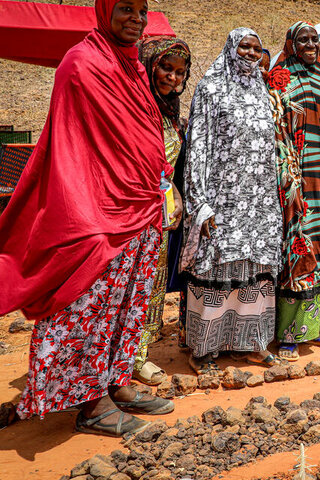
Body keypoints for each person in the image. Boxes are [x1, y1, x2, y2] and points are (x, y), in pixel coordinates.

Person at [0, 0, 177, 436]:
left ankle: (115, 381)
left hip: (139, 204)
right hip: (98, 206)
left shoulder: (135, 66)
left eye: (141, 11)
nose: (136, 19)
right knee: (88, 304)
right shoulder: (81, 62)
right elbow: (75, 142)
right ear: (104, 11)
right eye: (125, 10)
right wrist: (95, 203)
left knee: (127, 304)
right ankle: (91, 404)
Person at [180, 28, 282, 373]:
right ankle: (204, 348)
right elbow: (197, 145)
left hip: (258, 200)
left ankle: (250, 344)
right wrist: (200, 203)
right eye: (245, 46)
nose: (252, 53)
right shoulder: (210, 88)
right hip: (221, 198)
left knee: (254, 269)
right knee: (218, 268)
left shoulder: (260, 88)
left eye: (257, 48)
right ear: (231, 47)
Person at [268, 21, 320, 361]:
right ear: (290, 42)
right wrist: (289, 177)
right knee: (297, 248)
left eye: (314, 40)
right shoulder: (280, 76)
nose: (310, 45)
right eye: (303, 39)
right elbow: (277, 127)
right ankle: (288, 335)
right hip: (295, 176)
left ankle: (313, 330)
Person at [132, 36, 192, 386]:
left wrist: (177, 194)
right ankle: (123, 360)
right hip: (133, 212)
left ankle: (138, 356)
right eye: (166, 68)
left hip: (161, 216)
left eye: (180, 72)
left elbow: (170, 167)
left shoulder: (171, 113)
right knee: (133, 285)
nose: (172, 77)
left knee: (153, 284)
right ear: (150, 66)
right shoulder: (135, 107)